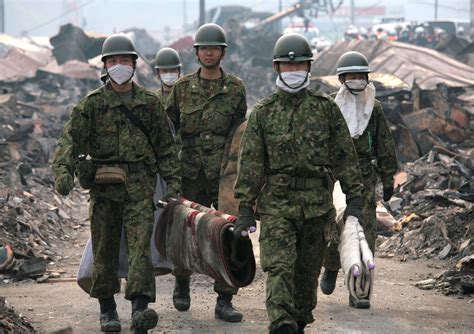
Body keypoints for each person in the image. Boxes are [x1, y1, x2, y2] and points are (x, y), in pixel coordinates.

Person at [233, 33, 364, 334]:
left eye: (301, 65)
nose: (294, 70)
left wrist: (354, 195)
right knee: (278, 267)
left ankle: (299, 322)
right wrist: (244, 207)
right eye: (287, 65)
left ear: (309, 68)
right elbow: (251, 162)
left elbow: (344, 153)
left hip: (317, 206)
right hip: (277, 205)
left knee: (306, 276)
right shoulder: (264, 113)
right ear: (277, 68)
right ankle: (280, 322)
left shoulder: (325, 109)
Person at [52, 34, 181, 333]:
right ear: (105, 66)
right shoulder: (92, 105)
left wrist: (173, 184)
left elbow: (166, 147)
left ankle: (140, 309)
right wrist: (63, 172)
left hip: (140, 187)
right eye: (113, 61)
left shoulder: (149, 104)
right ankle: (107, 309)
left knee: (140, 249)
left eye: (125, 60)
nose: (119, 66)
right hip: (104, 188)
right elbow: (69, 140)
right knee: (105, 249)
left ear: (134, 65)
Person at [166, 23, 247, 323]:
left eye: (214, 48)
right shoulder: (181, 88)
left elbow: (240, 132)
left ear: (223, 52)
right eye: (203, 48)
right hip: (188, 170)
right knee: (183, 229)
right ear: (196, 52)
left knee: (229, 232)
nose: (209, 52)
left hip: (224, 173)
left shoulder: (235, 88)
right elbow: (168, 129)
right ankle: (181, 282)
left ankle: (225, 299)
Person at [320, 51, 398, 309]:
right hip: (334, 178)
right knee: (335, 228)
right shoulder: (330, 106)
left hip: (364, 179)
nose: (356, 80)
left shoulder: (373, 108)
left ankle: (359, 290)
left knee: (365, 234)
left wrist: (388, 178)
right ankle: (331, 267)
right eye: (351, 75)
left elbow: (385, 145)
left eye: (361, 75)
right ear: (342, 78)